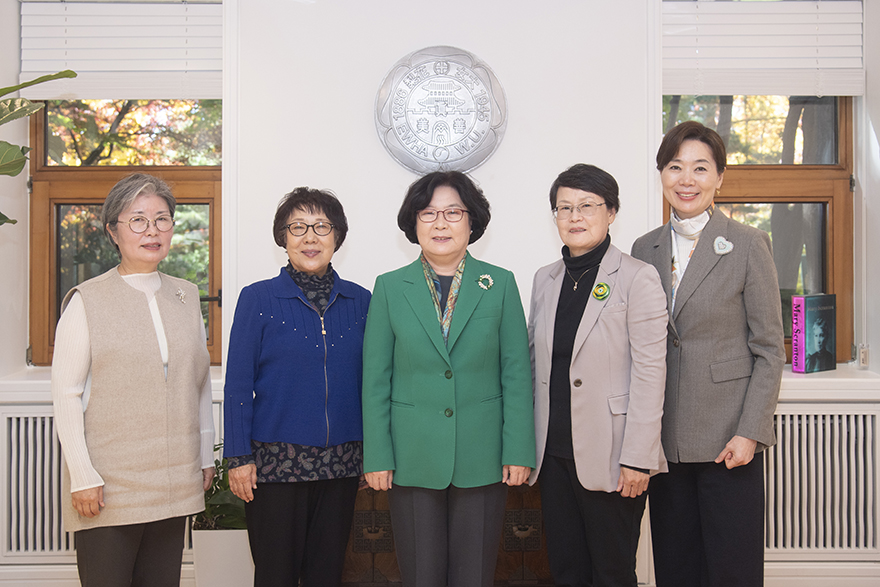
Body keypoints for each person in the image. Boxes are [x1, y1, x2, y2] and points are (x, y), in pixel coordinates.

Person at [362, 171, 536, 587]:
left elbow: (515, 372)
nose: (440, 223)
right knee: (420, 574)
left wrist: (518, 449)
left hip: (483, 454)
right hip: (411, 455)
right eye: (428, 213)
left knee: (474, 575)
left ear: (471, 221)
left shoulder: (500, 283)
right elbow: (375, 380)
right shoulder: (389, 288)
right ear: (414, 223)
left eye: (453, 212)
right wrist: (378, 455)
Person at [631, 121, 785, 586]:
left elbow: (769, 349)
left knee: (731, 569)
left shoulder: (747, 244)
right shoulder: (645, 248)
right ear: (662, 174)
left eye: (700, 168)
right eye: (675, 167)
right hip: (666, 440)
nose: (687, 179)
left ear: (720, 177)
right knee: (677, 568)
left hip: (728, 440)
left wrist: (750, 432)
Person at [51, 173, 214, 587]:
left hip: (174, 481)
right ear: (113, 230)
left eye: (162, 219)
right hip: (109, 485)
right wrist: (82, 475)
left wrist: (205, 458)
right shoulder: (86, 300)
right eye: (138, 220)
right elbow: (66, 395)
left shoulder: (186, 295)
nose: (152, 230)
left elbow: (198, 382)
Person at [528, 164, 668, 587]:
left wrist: (638, 458)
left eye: (587, 206)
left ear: (611, 213)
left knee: (611, 572)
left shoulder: (636, 277)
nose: (575, 216)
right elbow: (537, 364)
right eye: (564, 207)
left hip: (614, 457)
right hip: (553, 456)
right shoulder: (545, 280)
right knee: (566, 569)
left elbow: (650, 371)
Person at [224, 187, 371, 587]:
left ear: (337, 237)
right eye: (298, 227)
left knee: (327, 574)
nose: (311, 237)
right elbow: (238, 383)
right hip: (274, 466)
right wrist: (238, 457)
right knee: (276, 576)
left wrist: (371, 451)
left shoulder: (362, 302)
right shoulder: (258, 298)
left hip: (341, 464)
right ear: (283, 238)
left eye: (322, 227)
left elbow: (373, 383)